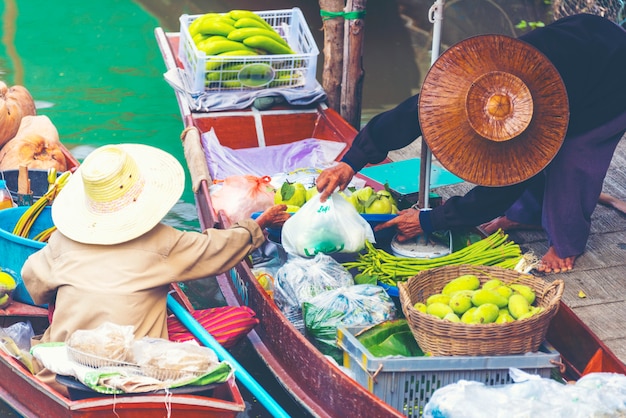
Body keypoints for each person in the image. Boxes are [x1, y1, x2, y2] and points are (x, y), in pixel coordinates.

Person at [316, 13, 626, 274]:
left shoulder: (535, 123)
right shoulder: (468, 84)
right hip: (575, 44)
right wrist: (351, 161)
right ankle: (526, 214)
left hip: (611, 77)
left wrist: (430, 220)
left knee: (572, 161)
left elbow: (506, 186)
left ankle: (566, 243)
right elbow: (411, 113)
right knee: (534, 161)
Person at [21, 143, 290, 395]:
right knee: (239, 317)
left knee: (55, 304)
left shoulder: (61, 240)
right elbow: (216, 248)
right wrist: (258, 225)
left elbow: (33, 282)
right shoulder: (164, 242)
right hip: (134, 368)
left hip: (63, 370)